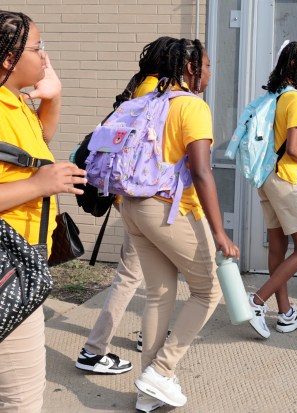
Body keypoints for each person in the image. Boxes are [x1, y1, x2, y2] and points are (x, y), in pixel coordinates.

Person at [122, 38, 239, 409]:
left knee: (159, 294)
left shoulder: (149, 99)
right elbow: (202, 172)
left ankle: (150, 390)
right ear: (190, 68)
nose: (209, 72)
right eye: (206, 65)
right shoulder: (192, 107)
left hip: (134, 207)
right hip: (167, 210)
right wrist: (220, 232)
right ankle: (162, 370)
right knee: (209, 291)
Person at [0, 10, 87, 411]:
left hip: (22, 261)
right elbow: (34, 172)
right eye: (37, 48)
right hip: (7, 268)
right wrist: (39, 185)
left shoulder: (13, 103)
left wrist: (53, 93)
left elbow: (40, 139)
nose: (45, 56)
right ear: (8, 59)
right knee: (22, 399)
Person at [75, 36, 175, 378]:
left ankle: (149, 334)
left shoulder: (144, 85)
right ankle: (93, 350)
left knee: (150, 267)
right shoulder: (155, 89)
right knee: (130, 274)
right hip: (137, 194)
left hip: (130, 193)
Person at [247, 41, 297, 338]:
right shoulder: (296, 99)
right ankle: (256, 302)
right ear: (296, 65)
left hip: (266, 178)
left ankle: (287, 314)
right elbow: (293, 149)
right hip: (286, 180)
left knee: (278, 246)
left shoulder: (276, 96)